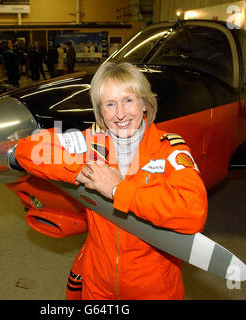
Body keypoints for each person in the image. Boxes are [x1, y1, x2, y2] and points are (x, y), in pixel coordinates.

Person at [12, 62, 208, 299]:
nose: (120, 114)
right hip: (98, 282)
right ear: (100, 111)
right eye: (110, 104)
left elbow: (193, 212)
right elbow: (28, 149)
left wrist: (118, 189)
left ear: (145, 103)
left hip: (151, 286)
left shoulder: (169, 149)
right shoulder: (91, 144)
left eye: (129, 100)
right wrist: (82, 170)